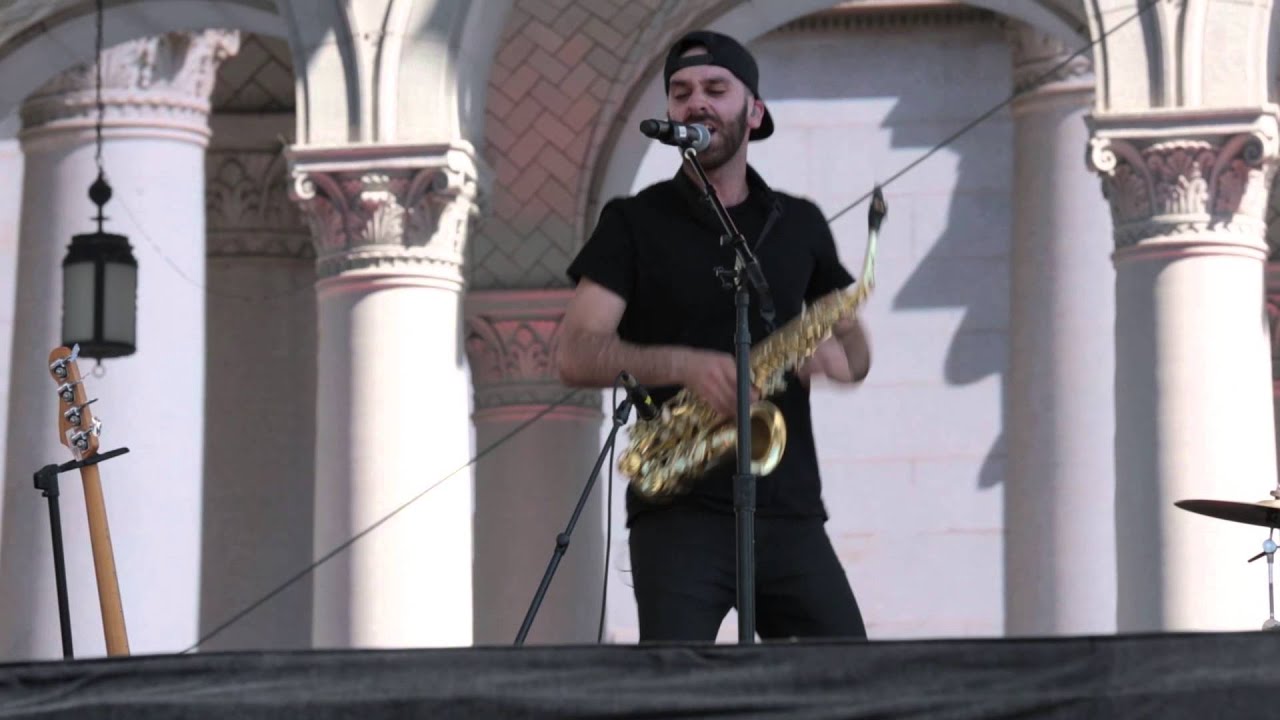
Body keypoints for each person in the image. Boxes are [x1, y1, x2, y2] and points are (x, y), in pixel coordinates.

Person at [555, 30, 872, 643]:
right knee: (678, 693)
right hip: (678, 513)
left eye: (715, 89)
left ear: (754, 112)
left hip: (790, 512)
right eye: (681, 92)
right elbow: (573, 352)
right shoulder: (633, 222)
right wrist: (685, 365)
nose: (695, 102)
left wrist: (838, 346)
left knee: (849, 679)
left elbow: (855, 361)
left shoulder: (798, 222)